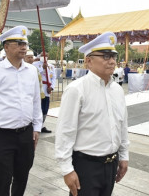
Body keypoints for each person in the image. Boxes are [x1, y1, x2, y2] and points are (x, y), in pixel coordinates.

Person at [55, 32, 129, 196]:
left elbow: (122, 126)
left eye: (113, 56)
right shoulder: (77, 89)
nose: (111, 61)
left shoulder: (117, 90)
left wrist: (124, 156)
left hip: (111, 164)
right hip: (86, 166)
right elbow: (65, 131)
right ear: (88, 60)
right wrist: (67, 169)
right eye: (105, 56)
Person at [0, 26, 42, 196]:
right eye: (18, 43)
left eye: (24, 43)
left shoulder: (32, 71)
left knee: (22, 176)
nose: (24, 47)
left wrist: (37, 127)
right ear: (6, 46)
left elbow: (35, 101)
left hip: (25, 134)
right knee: (3, 180)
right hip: (1, 135)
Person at [33, 51, 56, 133]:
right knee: (38, 108)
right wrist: (42, 68)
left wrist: (52, 87)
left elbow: (53, 78)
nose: (44, 57)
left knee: (45, 109)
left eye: (46, 55)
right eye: (42, 55)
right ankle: (35, 126)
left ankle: (41, 125)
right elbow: (35, 75)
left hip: (48, 89)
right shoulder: (35, 65)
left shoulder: (51, 66)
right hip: (39, 89)